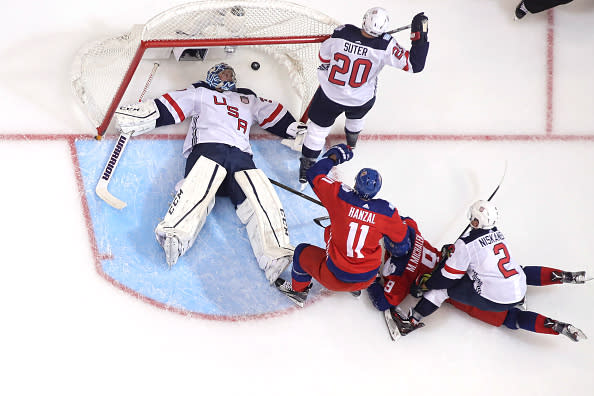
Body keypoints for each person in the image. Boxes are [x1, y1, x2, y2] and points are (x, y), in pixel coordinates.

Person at [113, 62, 305, 283]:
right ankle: (176, 233)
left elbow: (272, 113)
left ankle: (275, 254)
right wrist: (143, 115)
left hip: (241, 157)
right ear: (213, 75)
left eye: (231, 74)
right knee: (200, 183)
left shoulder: (247, 100)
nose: (228, 77)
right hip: (208, 149)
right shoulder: (201, 93)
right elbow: (173, 105)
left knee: (260, 193)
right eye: (223, 73)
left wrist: (296, 130)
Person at [377, 201, 590, 342]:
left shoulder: (465, 244)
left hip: (494, 296)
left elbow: (447, 279)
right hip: (517, 284)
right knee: (520, 272)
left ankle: (410, 322)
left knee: (441, 293)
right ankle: (565, 277)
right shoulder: (497, 233)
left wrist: (425, 284)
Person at [281, 7, 429, 187]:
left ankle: (306, 170)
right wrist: (419, 36)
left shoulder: (342, 32)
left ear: (364, 20)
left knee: (317, 131)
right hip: (361, 100)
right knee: (356, 117)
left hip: (330, 95)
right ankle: (351, 144)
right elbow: (415, 64)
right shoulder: (386, 44)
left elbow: (323, 56)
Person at [275, 143, 412, 307]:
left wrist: (334, 156)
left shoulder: (340, 196)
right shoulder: (387, 211)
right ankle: (354, 288)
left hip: (335, 277)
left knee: (301, 252)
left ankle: (298, 291)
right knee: (334, 234)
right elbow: (402, 246)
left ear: (356, 183)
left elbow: (314, 174)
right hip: (368, 277)